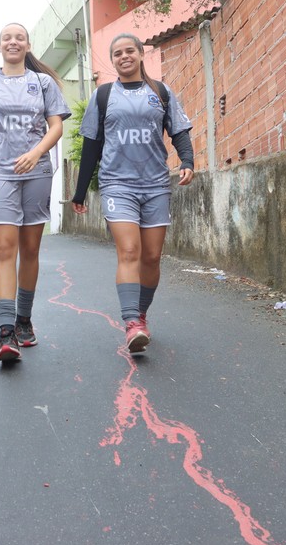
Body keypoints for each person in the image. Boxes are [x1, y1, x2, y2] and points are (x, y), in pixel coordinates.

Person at [71, 33, 195, 353]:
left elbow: (178, 130)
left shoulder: (161, 92)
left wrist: (187, 161)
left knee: (152, 257)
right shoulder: (103, 96)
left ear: (141, 54)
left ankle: (140, 313)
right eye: (117, 54)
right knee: (129, 251)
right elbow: (91, 146)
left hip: (155, 184)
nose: (123, 57)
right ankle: (131, 323)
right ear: (112, 60)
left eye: (129, 51)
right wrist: (80, 192)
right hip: (118, 184)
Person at [0, 22, 71, 361]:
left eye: (19, 37)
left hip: (37, 172)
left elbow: (57, 126)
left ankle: (25, 319)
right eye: (7, 38)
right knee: (5, 247)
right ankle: (6, 330)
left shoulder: (42, 84)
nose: (13, 42)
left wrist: (37, 152)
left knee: (30, 248)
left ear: (27, 45)